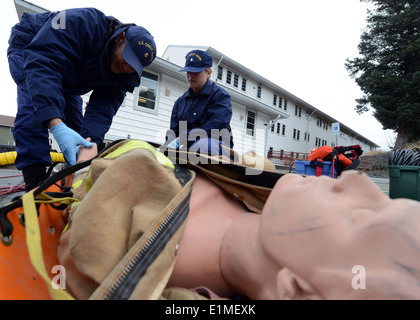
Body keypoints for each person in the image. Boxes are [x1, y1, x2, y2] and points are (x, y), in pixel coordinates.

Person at [167, 170, 420, 300]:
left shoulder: (145, 259)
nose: (356, 179)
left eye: (360, 215)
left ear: (295, 290)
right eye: (385, 200)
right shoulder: (257, 176)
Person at [7, 7, 156, 191]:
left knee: (79, 132)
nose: (127, 67)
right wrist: (56, 124)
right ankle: (35, 181)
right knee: (36, 106)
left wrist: (91, 142)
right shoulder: (83, 22)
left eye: (134, 66)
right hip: (31, 46)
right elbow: (43, 62)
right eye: (127, 58)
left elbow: (102, 110)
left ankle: (72, 174)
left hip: (70, 73)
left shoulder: (124, 74)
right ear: (120, 37)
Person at [166, 50, 234, 156]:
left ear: (208, 73)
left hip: (217, 145)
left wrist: (182, 139)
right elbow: (173, 132)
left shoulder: (220, 97)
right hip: (186, 145)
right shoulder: (180, 102)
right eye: (188, 72)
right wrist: (169, 145)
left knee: (202, 145)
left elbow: (213, 130)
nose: (190, 76)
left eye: (195, 72)